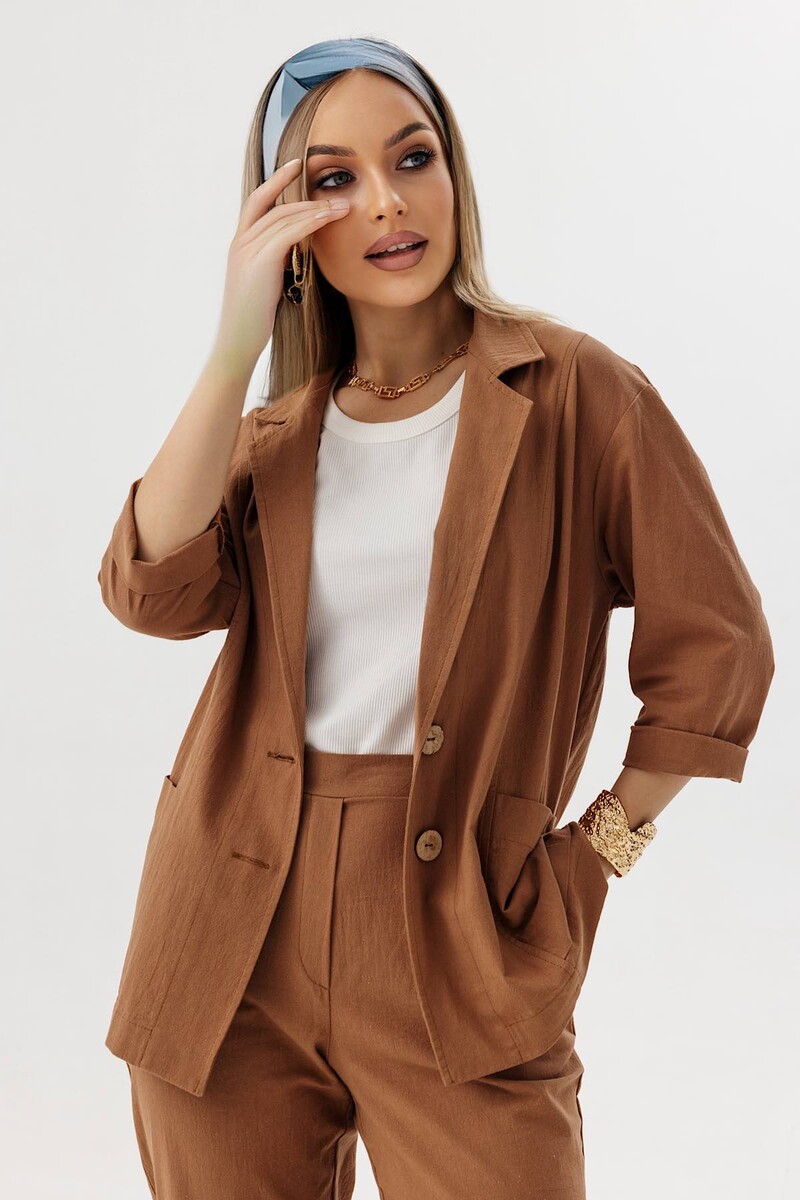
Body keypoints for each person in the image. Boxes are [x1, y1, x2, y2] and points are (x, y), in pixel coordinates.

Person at [97, 36, 775, 1200]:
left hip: (460, 932)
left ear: (454, 170)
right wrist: (235, 346)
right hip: (224, 942)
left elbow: (717, 643)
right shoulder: (271, 440)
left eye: (412, 158)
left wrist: (594, 857)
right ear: (287, 224)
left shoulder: (574, 395)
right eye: (332, 179)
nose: (386, 202)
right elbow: (148, 589)